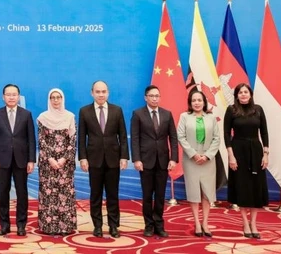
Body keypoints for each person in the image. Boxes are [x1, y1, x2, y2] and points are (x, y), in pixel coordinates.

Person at [78, 80, 128, 238]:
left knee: (113, 194)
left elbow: (123, 136)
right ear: (92, 93)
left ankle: (114, 226)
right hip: (94, 159)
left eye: (103, 91)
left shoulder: (117, 110)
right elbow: (81, 137)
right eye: (97, 92)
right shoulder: (84, 111)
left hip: (113, 159)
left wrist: (124, 157)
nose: (101, 94)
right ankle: (97, 226)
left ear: (108, 93)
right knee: (96, 194)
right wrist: (83, 158)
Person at [130, 85, 178, 238]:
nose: (155, 98)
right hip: (145, 161)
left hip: (163, 161)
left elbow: (173, 138)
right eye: (152, 96)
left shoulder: (167, 114)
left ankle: (159, 225)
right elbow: (135, 138)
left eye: (157, 96)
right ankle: (148, 225)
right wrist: (136, 159)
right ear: (146, 97)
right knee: (147, 195)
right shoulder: (138, 114)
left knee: (160, 195)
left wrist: (174, 158)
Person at [0, 84, 36, 237]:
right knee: (3, 193)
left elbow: (31, 139)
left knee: (22, 193)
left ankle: (21, 225)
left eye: (14, 94)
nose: (11, 97)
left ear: (18, 96)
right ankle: (4, 225)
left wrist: (31, 160)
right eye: (8, 94)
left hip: (22, 160)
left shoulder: (26, 114)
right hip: (2, 160)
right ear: (3, 97)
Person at [224, 83, 269, 239]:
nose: (243, 94)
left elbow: (264, 132)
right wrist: (231, 155)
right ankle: (245, 223)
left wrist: (266, 153)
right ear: (236, 95)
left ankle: (254, 223)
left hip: (256, 151)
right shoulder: (231, 110)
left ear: (250, 94)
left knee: (256, 187)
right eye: (240, 92)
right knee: (242, 188)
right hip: (238, 151)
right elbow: (226, 134)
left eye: (245, 92)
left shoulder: (258, 109)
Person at [176, 89, 220, 238]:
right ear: (190, 102)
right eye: (194, 100)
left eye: (199, 100)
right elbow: (180, 137)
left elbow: (216, 138)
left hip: (208, 160)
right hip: (191, 160)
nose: (197, 103)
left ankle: (205, 223)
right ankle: (196, 223)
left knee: (207, 193)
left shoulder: (211, 117)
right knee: (194, 192)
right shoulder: (184, 117)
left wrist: (207, 156)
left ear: (204, 102)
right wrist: (194, 154)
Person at [37, 88, 77, 236]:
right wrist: (51, 159)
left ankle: (65, 226)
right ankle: (49, 226)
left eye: (58, 97)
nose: (55, 100)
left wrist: (63, 159)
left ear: (62, 99)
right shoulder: (43, 117)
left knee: (64, 195)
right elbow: (41, 140)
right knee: (49, 194)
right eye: (52, 97)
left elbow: (72, 141)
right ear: (49, 99)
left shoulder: (70, 117)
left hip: (65, 163)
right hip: (48, 163)